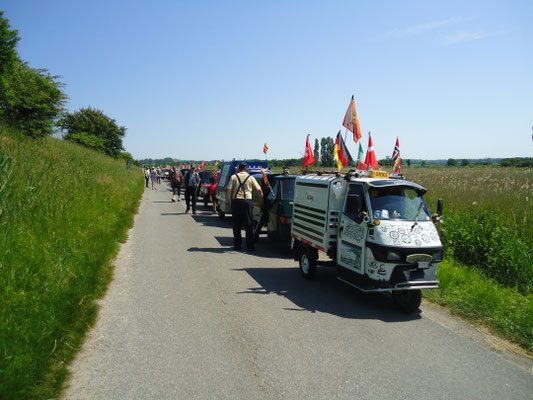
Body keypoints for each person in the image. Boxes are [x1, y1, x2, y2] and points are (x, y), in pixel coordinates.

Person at [226, 162, 263, 251]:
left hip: (236, 202)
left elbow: (228, 190)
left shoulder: (233, 177)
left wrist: (231, 202)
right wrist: (261, 201)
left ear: (238, 168)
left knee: (236, 225)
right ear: (246, 168)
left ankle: (237, 244)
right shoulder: (251, 178)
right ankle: (250, 245)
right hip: (247, 202)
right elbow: (259, 190)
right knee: (249, 224)